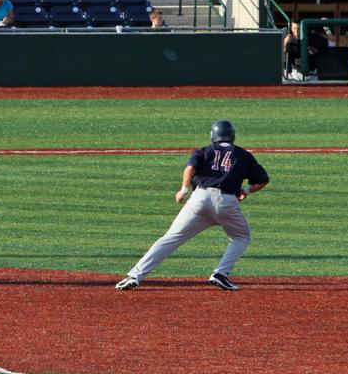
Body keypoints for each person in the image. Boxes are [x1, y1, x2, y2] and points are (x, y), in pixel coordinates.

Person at [115, 119, 269, 292]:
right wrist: (246, 191)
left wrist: (183, 189)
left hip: (199, 200)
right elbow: (263, 179)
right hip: (226, 202)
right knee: (241, 237)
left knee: (171, 238)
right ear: (232, 136)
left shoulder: (204, 150)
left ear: (213, 135)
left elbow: (190, 168)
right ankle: (220, 273)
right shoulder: (243, 154)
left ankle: (134, 276)